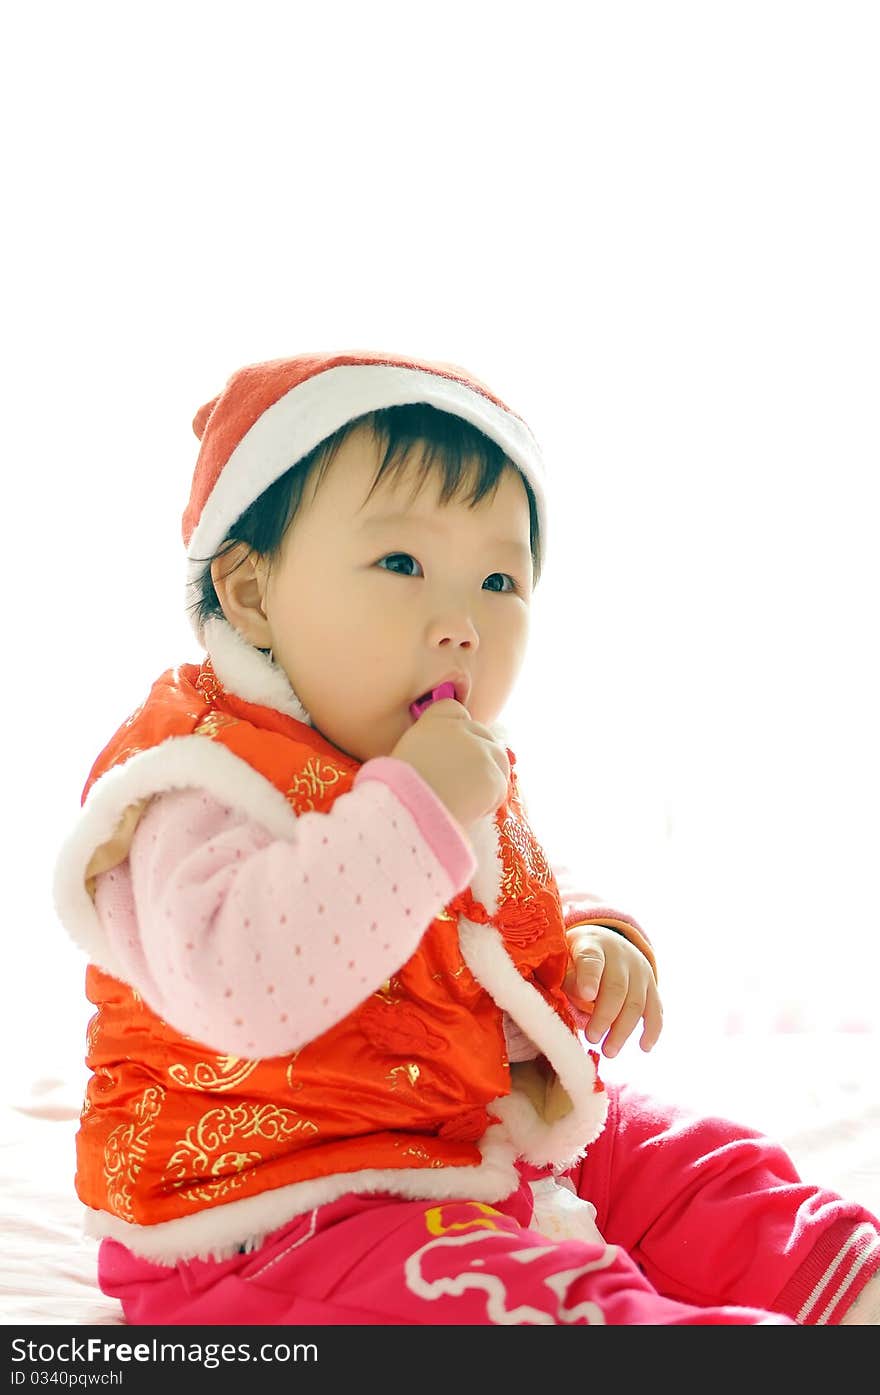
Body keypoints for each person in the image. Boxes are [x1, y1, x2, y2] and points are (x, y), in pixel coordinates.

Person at [53, 348, 880, 1326]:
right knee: (521, 1297)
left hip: (465, 1126)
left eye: (499, 579)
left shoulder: (429, 759)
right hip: (274, 1212)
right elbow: (244, 983)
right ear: (250, 594)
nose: (461, 623)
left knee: (673, 1154)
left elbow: (495, 887)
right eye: (400, 563)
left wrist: (586, 935)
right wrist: (418, 808)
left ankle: (841, 1286)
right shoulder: (193, 781)